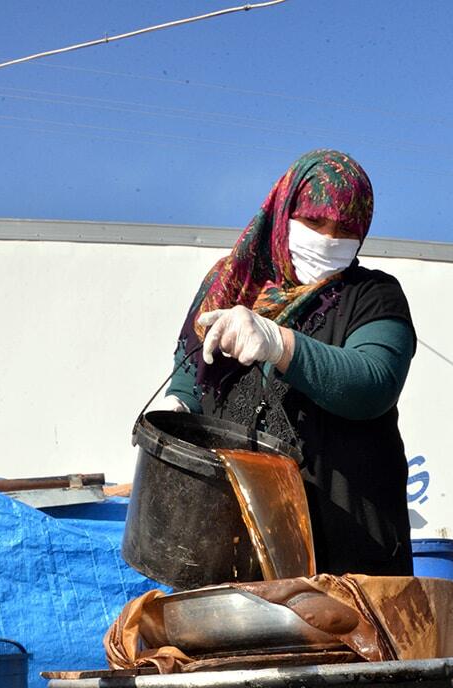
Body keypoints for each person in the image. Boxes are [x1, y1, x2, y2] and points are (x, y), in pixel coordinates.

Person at [161, 148, 416, 576]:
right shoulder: (230, 284)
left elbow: (374, 383)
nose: (329, 239)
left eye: (346, 229)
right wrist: (178, 405)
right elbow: (191, 362)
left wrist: (279, 343)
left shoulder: (373, 295)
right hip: (239, 546)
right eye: (315, 222)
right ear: (284, 212)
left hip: (346, 552)